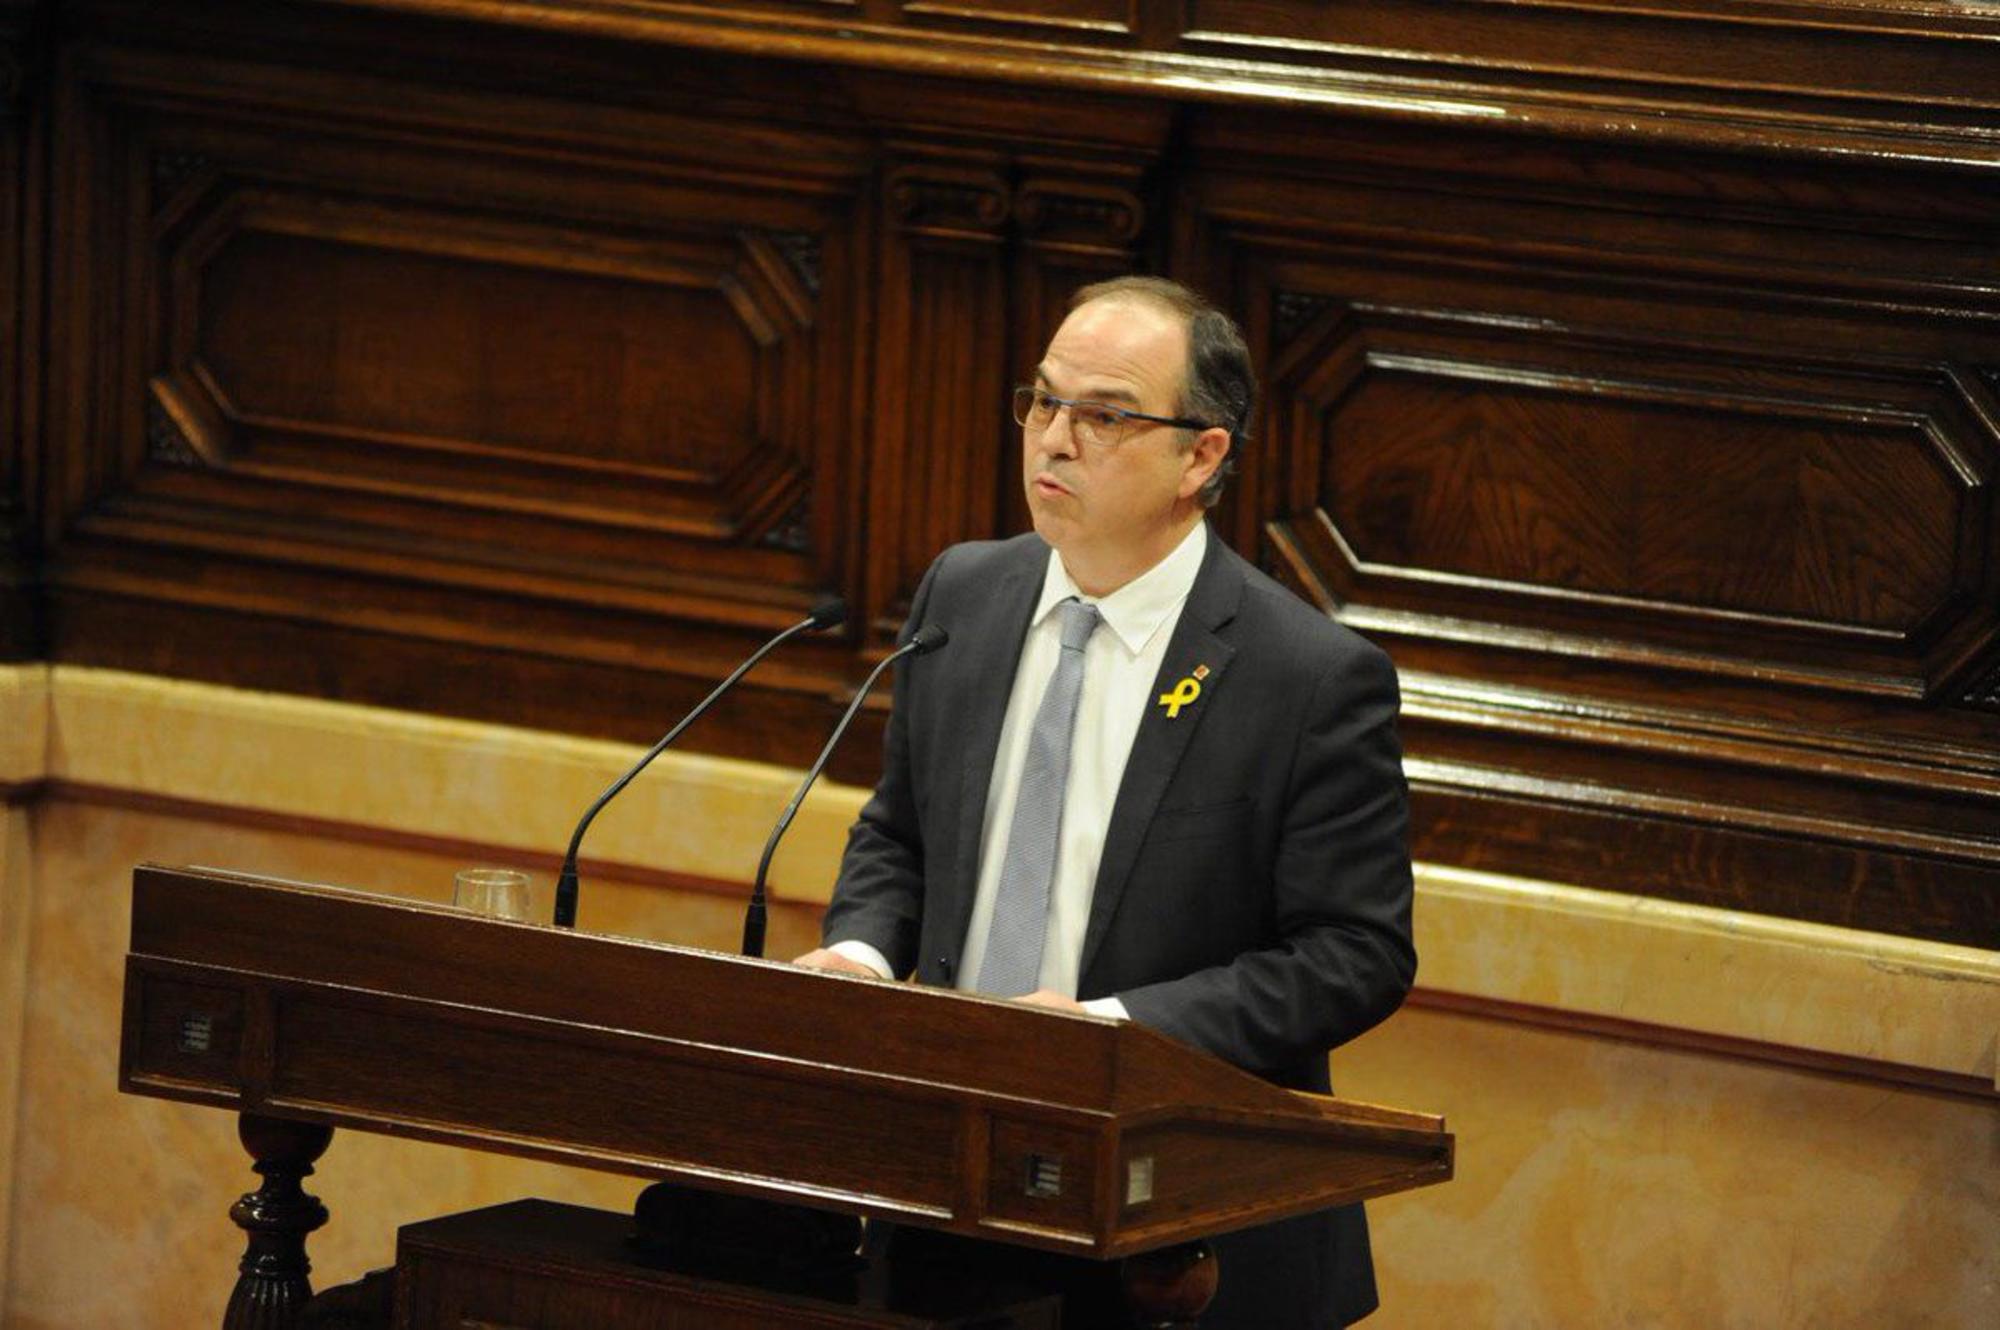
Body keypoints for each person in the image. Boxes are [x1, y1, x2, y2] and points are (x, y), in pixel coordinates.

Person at [795, 276, 1416, 1328]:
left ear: (1201, 456)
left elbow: (1354, 954)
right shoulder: (964, 593)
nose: (1054, 439)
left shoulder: (1306, 676)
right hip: (946, 1193)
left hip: (1180, 1234)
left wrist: (1106, 1031)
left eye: (1104, 415)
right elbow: (900, 832)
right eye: (1041, 402)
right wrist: (858, 955)